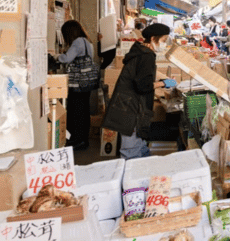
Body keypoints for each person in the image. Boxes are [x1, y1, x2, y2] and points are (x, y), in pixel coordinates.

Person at [103, 23, 176, 159]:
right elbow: (143, 86)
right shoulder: (146, 56)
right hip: (133, 109)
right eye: (163, 40)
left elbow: (143, 77)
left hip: (127, 106)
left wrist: (162, 81)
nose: (164, 44)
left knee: (139, 147)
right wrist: (164, 83)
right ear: (153, 38)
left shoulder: (139, 51)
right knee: (131, 152)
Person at [54, 20, 99, 150]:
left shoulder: (78, 42)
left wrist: (56, 56)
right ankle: (83, 139)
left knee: (76, 112)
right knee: (83, 111)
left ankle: (77, 140)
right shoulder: (87, 41)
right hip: (86, 83)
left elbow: (66, 58)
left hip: (77, 84)